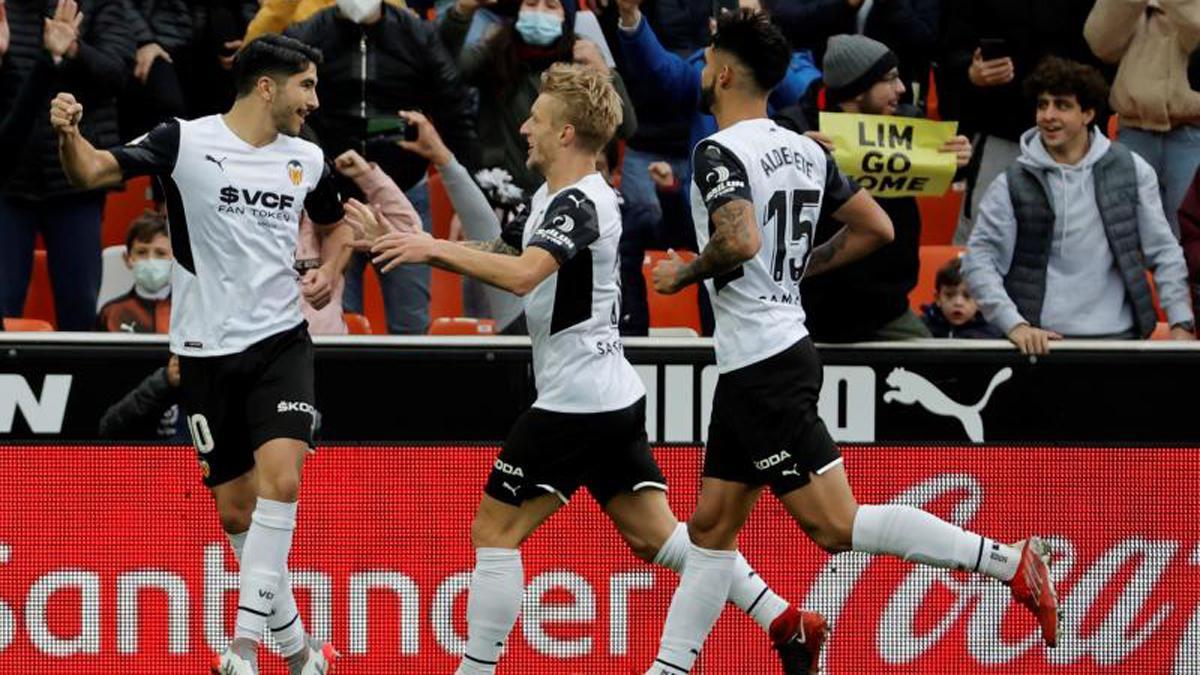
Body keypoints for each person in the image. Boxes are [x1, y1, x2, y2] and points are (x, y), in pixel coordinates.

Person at [368, 62, 829, 675]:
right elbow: (507, 252)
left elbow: (526, 273)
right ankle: (785, 620)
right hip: (604, 395)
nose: (526, 126)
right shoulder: (554, 198)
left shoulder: (586, 201)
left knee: (494, 533)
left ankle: (474, 669)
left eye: (537, 117)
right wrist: (411, 236)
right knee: (656, 538)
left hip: (575, 401)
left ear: (565, 134)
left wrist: (431, 249)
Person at [643, 12, 1061, 674]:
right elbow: (875, 228)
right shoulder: (805, 149)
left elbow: (741, 238)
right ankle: (672, 666)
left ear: (722, 71)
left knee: (835, 525)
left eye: (706, 59)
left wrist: (685, 270)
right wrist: (794, 269)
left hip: (763, 365)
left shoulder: (716, 152)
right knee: (712, 528)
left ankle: (1007, 561)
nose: (700, 70)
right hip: (768, 354)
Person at [51, 33, 367, 675]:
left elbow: (340, 227)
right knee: (237, 512)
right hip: (202, 352)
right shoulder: (184, 141)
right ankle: (302, 655)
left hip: (281, 341)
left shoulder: (306, 156)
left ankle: (244, 648)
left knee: (284, 480)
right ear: (267, 86)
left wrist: (333, 270)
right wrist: (69, 133)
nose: (315, 99)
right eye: (306, 85)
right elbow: (89, 171)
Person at [962, 57, 1194, 356]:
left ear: (1088, 113)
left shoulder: (1131, 169)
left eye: (1062, 105)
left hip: (1122, 341)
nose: (1048, 115)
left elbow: (1163, 251)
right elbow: (979, 260)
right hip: (1040, 345)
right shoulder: (1011, 182)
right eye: (1042, 105)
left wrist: (1180, 321)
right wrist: (1014, 325)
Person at [286, 0, 479, 334]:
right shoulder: (307, 34)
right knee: (337, 322)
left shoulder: (417, 33)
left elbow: (454, 109)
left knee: (412, 326)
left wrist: (469, 196)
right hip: (331, 205)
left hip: (402, 194)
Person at [802, 34, 972, 342]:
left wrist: (958, 159)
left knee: (937, 376)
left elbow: (938, 176)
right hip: (807, 312)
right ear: (857, 88)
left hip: (887, 310)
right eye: (890, 79)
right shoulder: (796, 125)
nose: (902, 89)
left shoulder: (911, 124)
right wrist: (794, 152)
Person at [1, 0, 134, 331]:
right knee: (3, 303)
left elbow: (118, 74)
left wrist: (73, 48)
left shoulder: (101, 6)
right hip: (9, 180)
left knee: (79, 306)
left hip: (76, 182)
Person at [1085, 0, 1200, 236]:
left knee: (1190, 240)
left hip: (1193, 133)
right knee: (1121, 237)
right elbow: (1100, 45)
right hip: (1133, 132)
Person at [298, 148, 421, 335]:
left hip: (328, 352)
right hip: (264, 351)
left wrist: (367, 176)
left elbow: (408, 231)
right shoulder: (246, 219)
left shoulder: (329, 217)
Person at [96, 211, 173, 333]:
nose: (150, 260)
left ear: (175, 260)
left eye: (160, 253)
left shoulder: (191, 311)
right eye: (142, 252)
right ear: (127, 259)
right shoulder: (111, 313)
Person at [920, 257, 1001, 338]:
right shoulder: (922, 327)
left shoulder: (992, 333)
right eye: (949, 295)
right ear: (938, 299)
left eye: (967, 296)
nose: (958, 303)